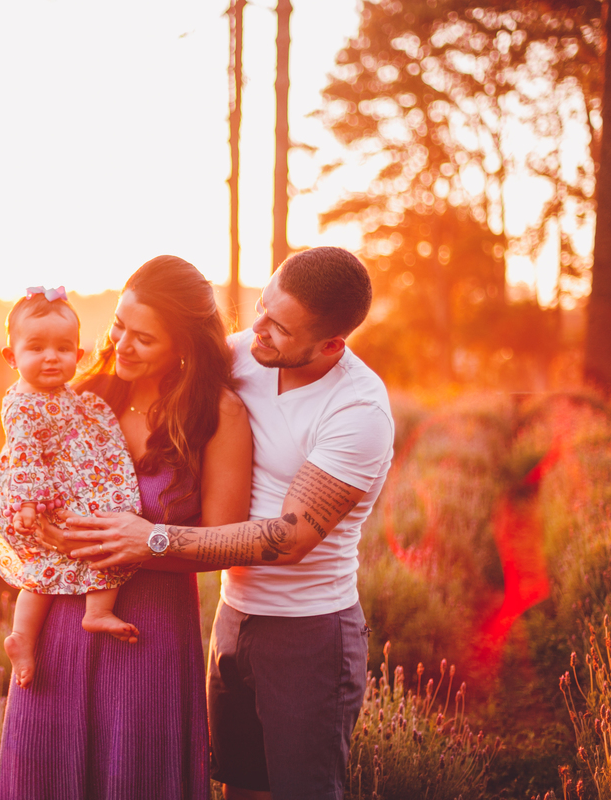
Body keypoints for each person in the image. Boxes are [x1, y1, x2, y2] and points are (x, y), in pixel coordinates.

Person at [63, 246, 394, 800]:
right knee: (239, 788)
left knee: (305, 791)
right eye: (262, 307)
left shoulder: (358, 412)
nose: (256, 330)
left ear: (331, 345)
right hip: (233, 618)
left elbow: (289, 539)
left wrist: (152, 538)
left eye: (279, 328)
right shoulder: (246, 354)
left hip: (309, 632)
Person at [0, 256, 252, 800]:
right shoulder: (84, 394)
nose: (122, 346)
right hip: (60, 623)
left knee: (136, 774)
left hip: (148, 633)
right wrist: (35, 525)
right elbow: (16, 475)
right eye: (118, 326)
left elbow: (227, 543)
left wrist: (142, 543)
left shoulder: (218, 413)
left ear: (183, 345)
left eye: (144, 338)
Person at [0, 285, 145, 690]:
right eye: (37, 348)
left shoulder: (65, 394)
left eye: (64, 347)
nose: (51, 357)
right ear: (11, 357)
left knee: (95, 539)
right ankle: (24, 636)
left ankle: (89, 614)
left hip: (65, 485)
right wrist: (26, 504)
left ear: (79, 353)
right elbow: (23, 456)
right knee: (56, 560)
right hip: (39, 498)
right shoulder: (22, 406)